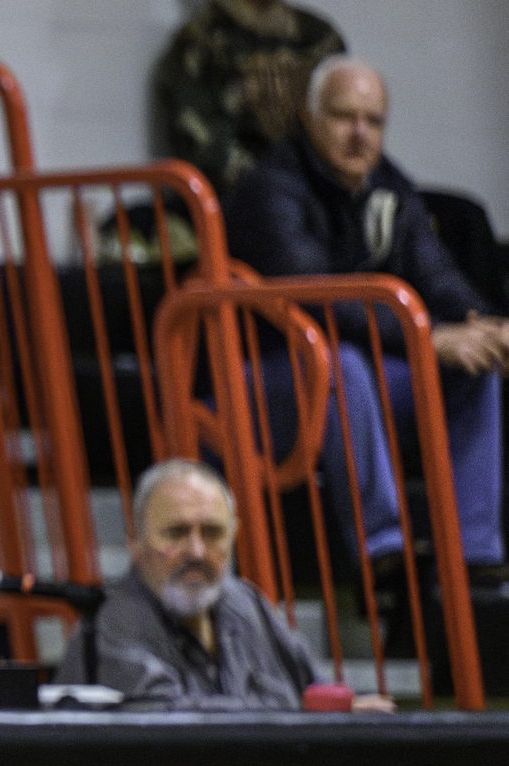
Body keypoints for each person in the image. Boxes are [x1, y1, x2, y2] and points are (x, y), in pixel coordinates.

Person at [225, 58, 509, 581]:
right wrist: (429, 339)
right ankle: (383, 548)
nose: (361, 135)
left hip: (349, 380)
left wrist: (487, 324)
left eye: (373, 121)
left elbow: (436, 272)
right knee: (340, 361)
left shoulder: (389, 184)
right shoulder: (269, 190)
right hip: (261, 386)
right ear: (307, 119)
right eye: (343, 117)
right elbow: (319, 302)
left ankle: (476, 554)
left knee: (474, 365)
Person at [55, 459, 392, 711]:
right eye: (176, 533)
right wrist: (295, 716)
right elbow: (170, 729)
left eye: (213, 533)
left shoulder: (247, 602)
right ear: (136, 544)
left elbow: (315, 694)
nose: (197, 552)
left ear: (234, 537)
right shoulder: (112, 622)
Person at [154, 0, 345, 196]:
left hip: (326, 198)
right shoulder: (200, 45)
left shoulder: (320, 38)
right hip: (248, 205)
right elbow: (209, 154)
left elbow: (348, 127)